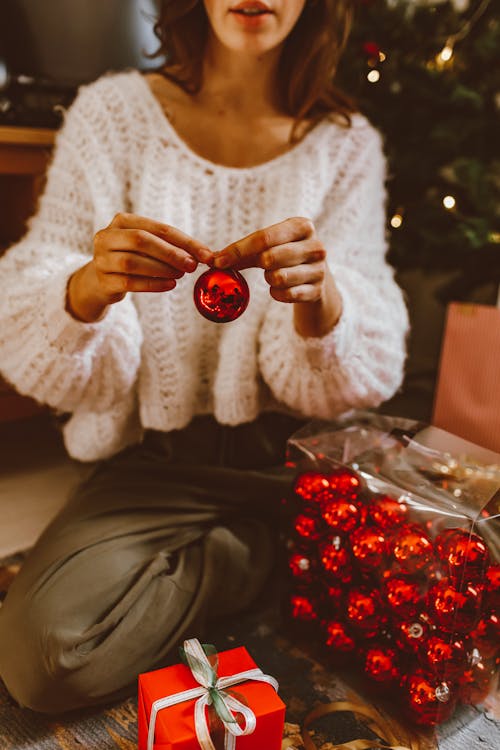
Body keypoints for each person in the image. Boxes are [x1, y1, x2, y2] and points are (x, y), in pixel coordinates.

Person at [0, 0, 408, 714]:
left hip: (296, 460)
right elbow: (29, 323)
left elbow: (365, 363)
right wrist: (87, 288)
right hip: (156, 464)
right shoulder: (111, 116)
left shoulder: (347, 146)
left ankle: (270, 550)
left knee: (417, 616)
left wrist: (325, 300)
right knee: (47, 661)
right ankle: (254, 560)